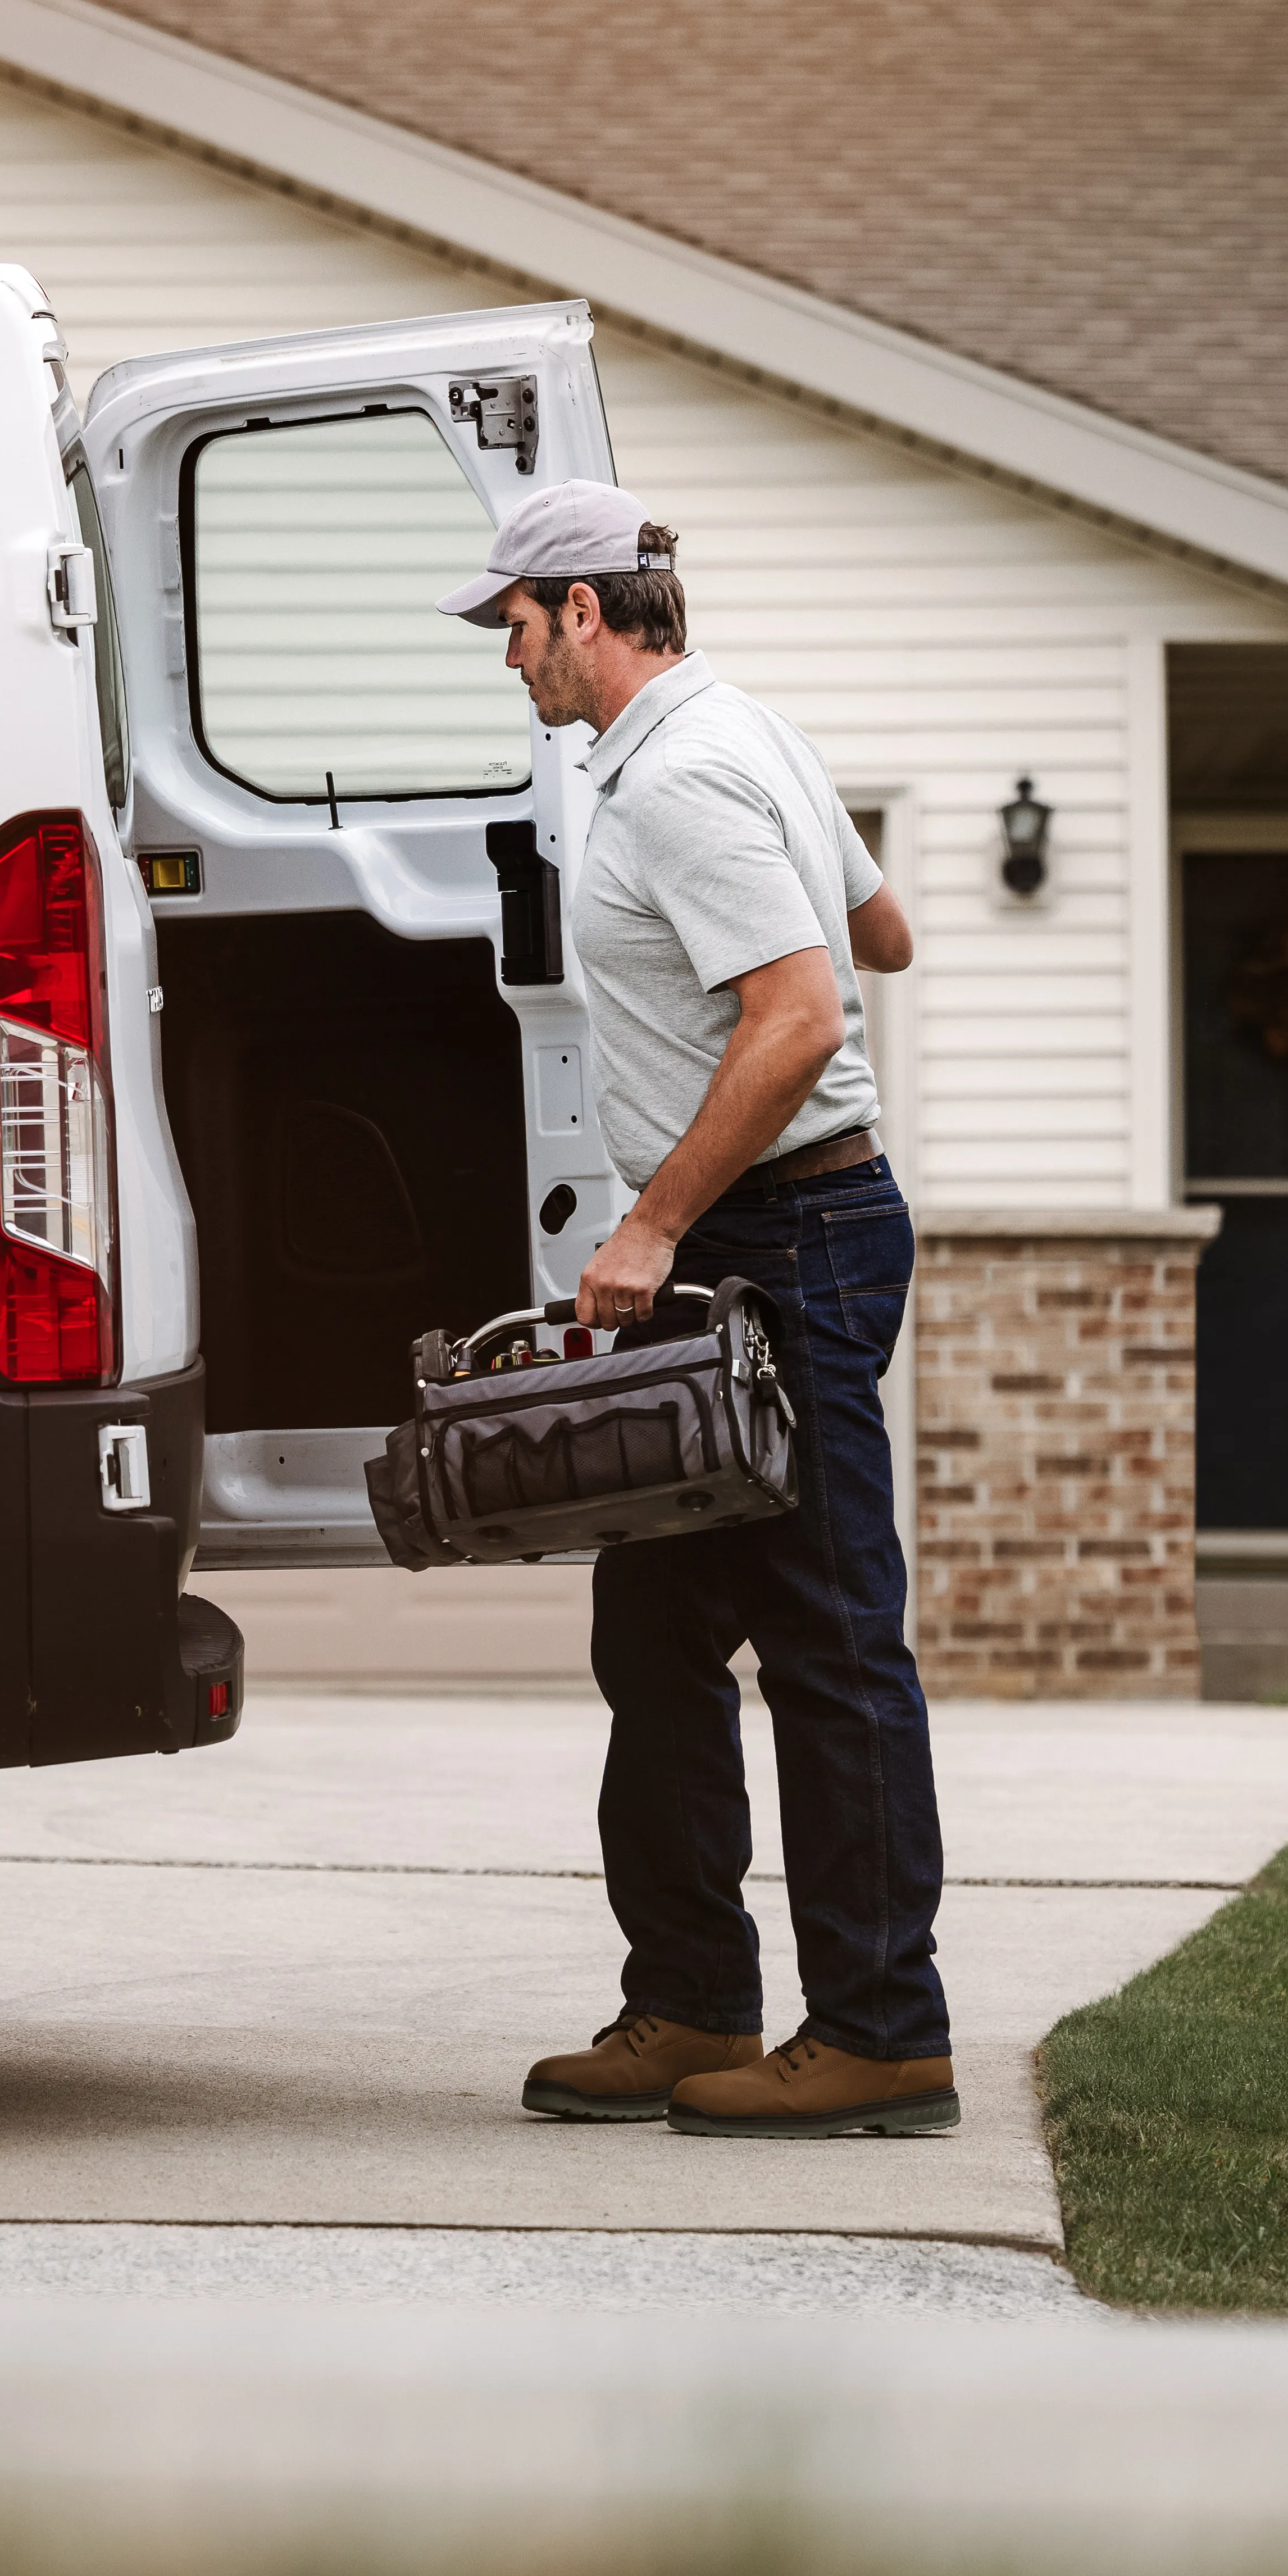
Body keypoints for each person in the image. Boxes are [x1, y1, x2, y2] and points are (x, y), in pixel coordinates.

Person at [433, 480, 959, 2139]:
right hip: (754, 1238)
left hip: (784, 1241)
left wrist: (653, 1220)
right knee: (654, 1636)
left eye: (514, 625)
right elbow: (882, 932)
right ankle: (691, 2002)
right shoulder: (749, 739)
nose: (508, 656)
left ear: (584, 611)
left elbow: (804, 1013)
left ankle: (882, 2031)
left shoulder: (684, 777)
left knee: (828, 1641)